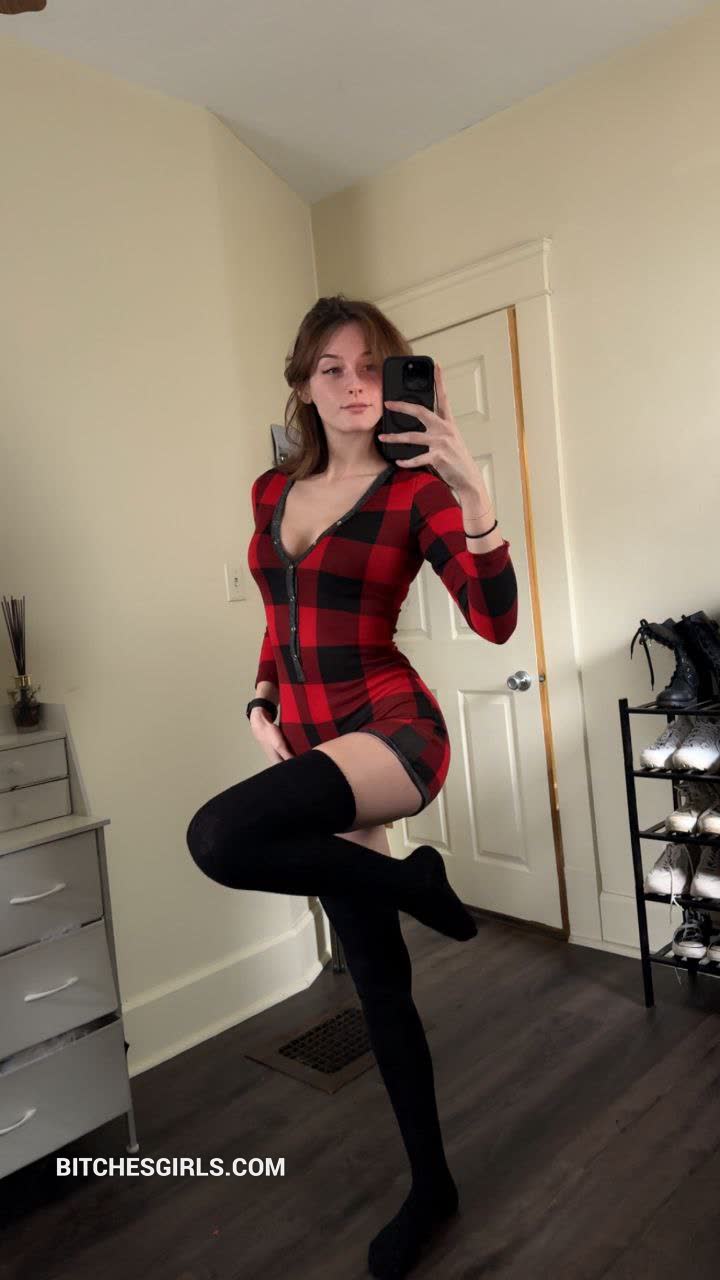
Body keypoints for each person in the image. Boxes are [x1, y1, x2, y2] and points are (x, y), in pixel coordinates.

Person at [186, 295, 518, 1279]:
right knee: (378, 978)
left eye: (373, 364)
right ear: (303, 384)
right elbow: (278, 614)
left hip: (391, 729)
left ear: (397, 379)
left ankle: (414, 881)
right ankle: (433, 1187)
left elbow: (495, 620)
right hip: (307, 738)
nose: (355, 383)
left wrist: (470, 483)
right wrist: (260, 693)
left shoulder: (417, 495)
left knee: (219, 838)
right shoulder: (269, 491)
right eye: (332, 367)